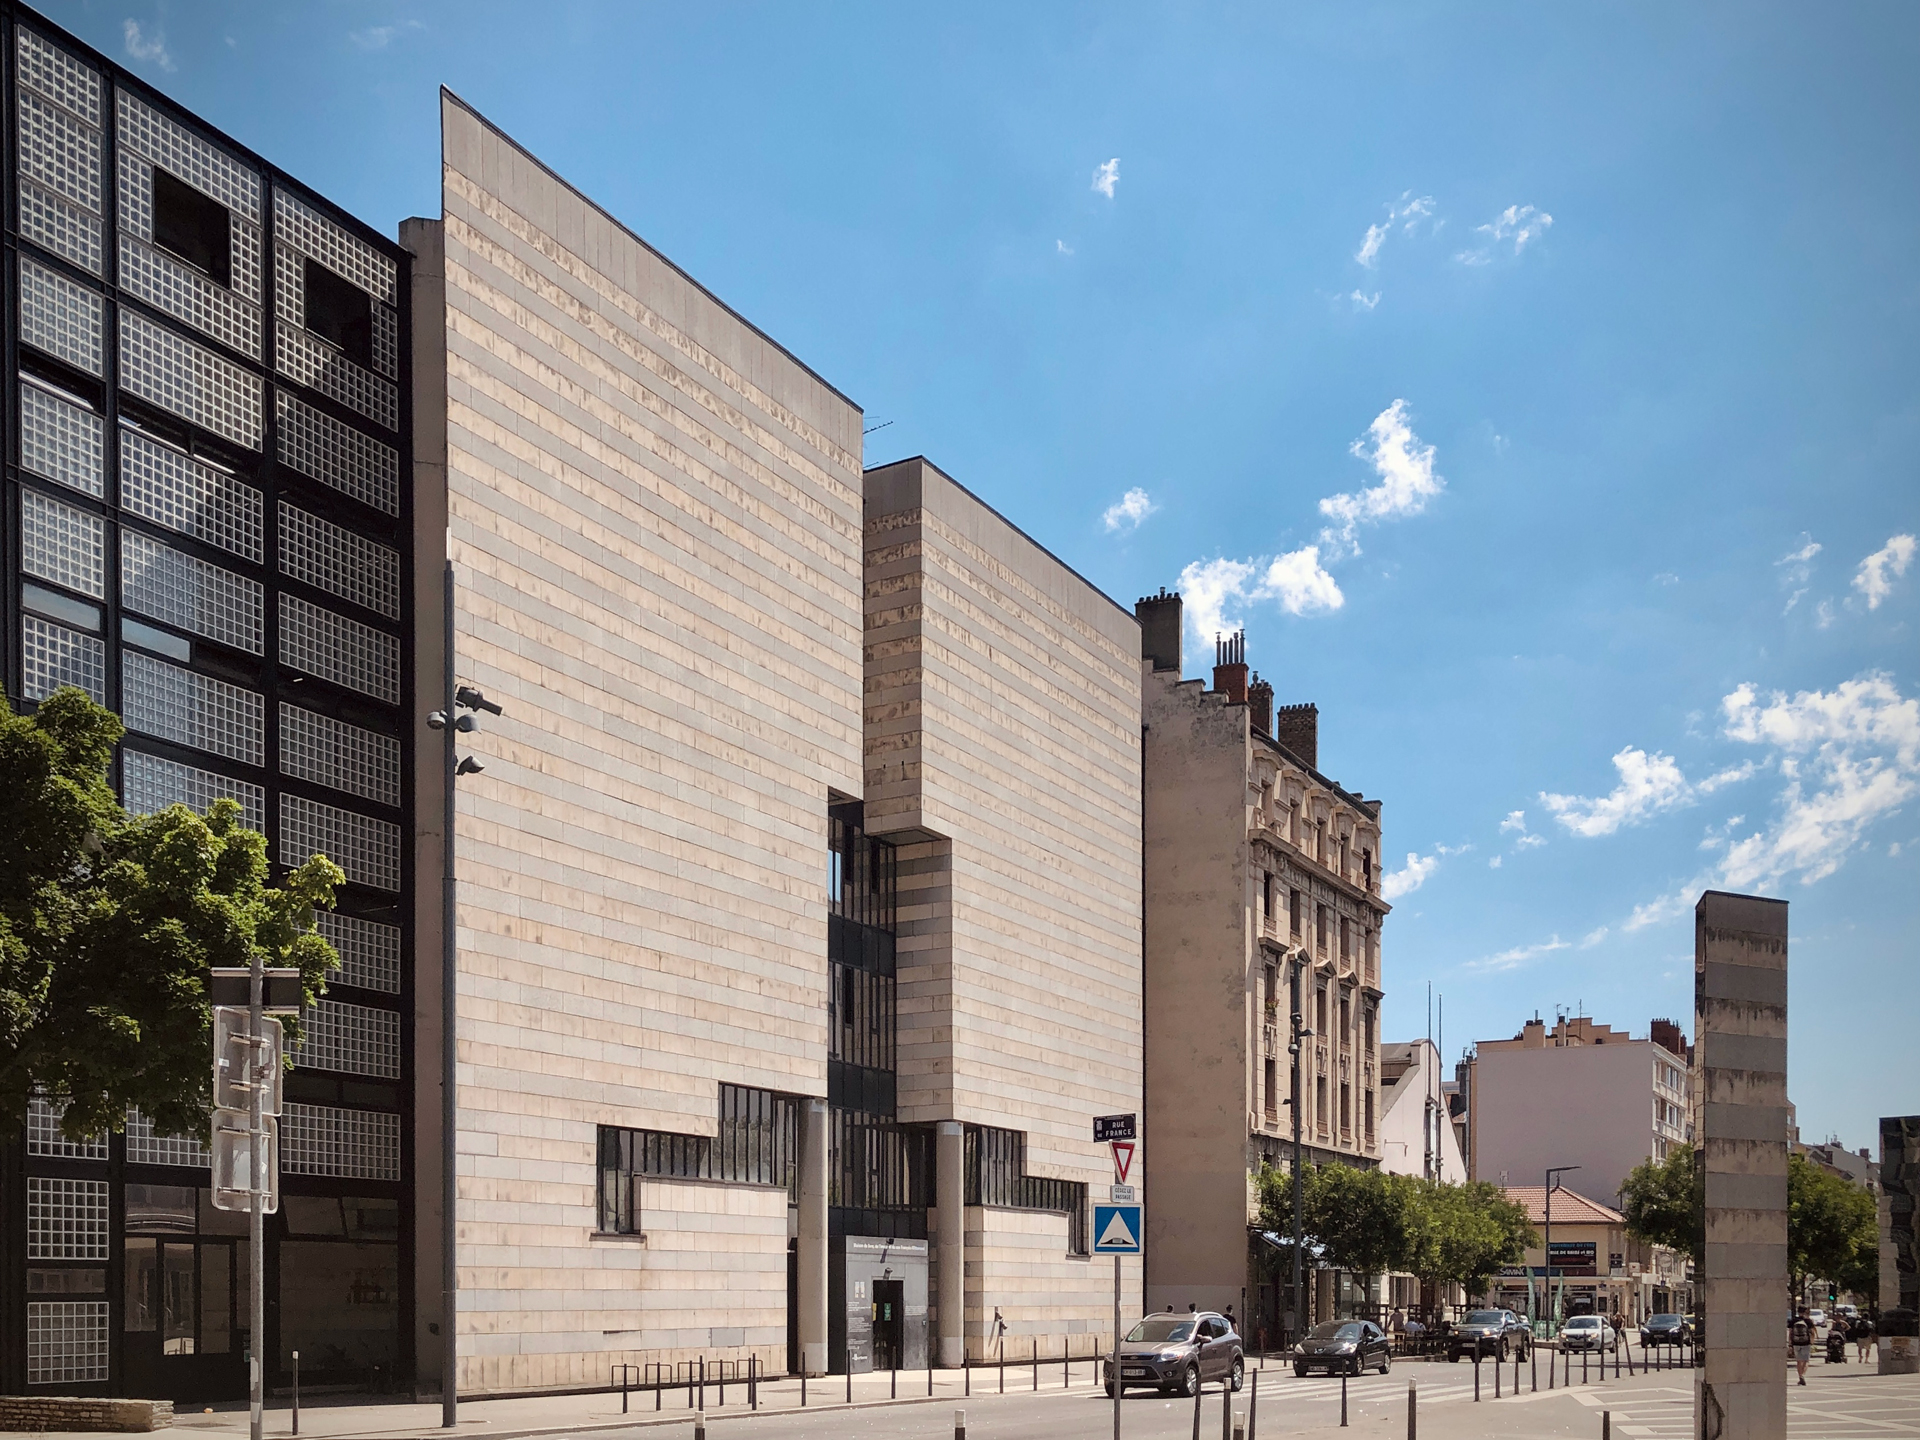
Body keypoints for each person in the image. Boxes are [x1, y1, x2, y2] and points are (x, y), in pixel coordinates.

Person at [1791, 1308, 1813, 1385]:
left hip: (1796, 1343)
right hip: (1806, 1343)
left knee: (1799, 1361)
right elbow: (1812, 1332)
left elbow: (1790, 1332)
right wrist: (1812, 1341)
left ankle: (1800, 1376)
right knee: (1806, 1360)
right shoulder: (1808, 1321)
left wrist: (1790, 1343)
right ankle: (1803, 1375)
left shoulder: (1794, 1320)